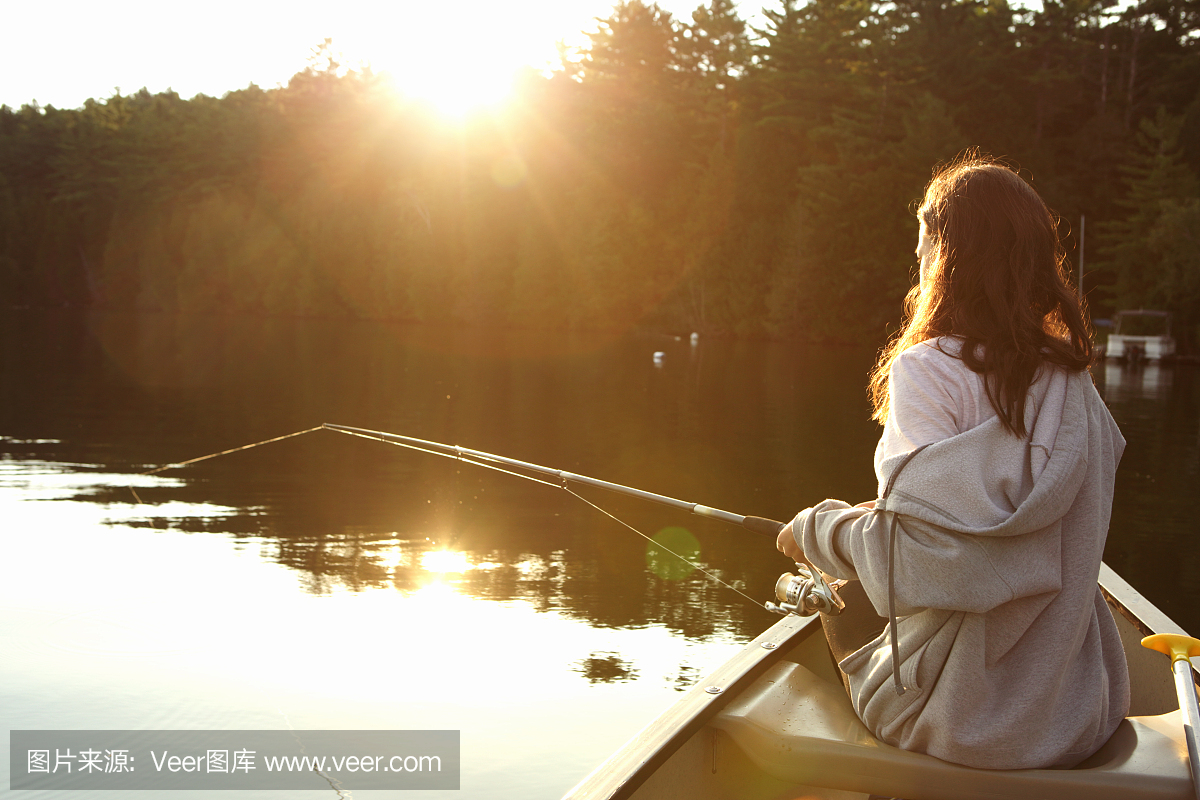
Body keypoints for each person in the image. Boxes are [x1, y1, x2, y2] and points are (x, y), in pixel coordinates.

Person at [776, 154, 1130, 771]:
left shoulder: (928, 370)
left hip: (965, 721)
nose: (916, 264)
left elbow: (929, 563)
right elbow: (985, 524)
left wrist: (819, 530)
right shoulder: (1073, 383)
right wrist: (891, 517)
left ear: (945, 256)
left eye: (922, 250)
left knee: (838, 592)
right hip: (1080, 713)